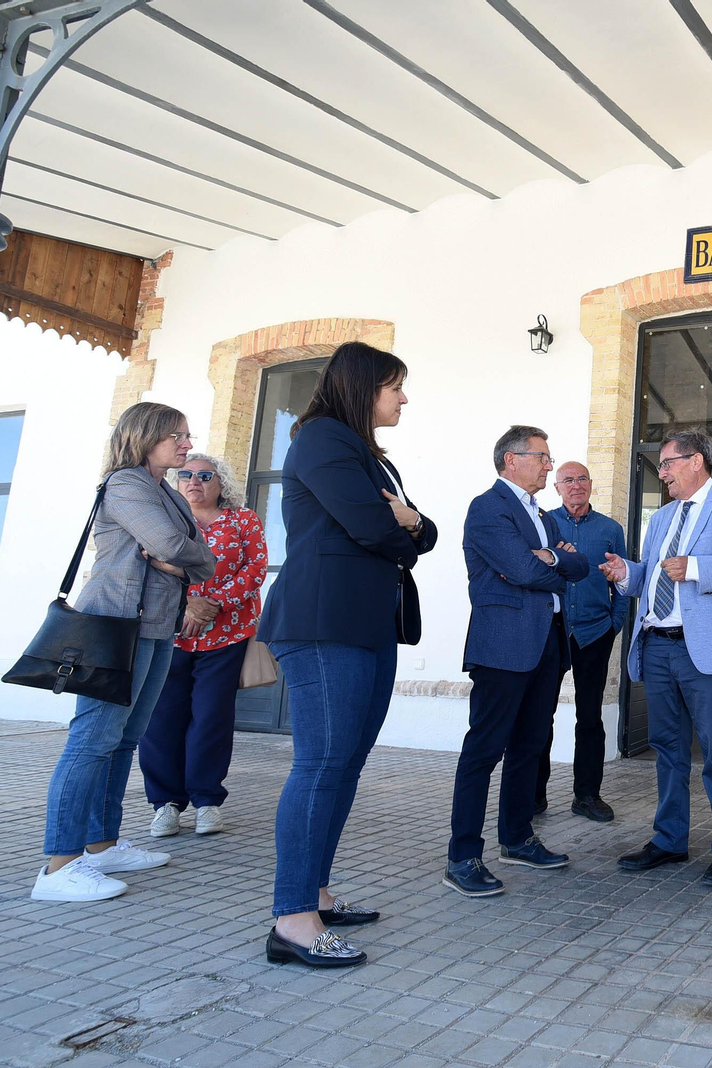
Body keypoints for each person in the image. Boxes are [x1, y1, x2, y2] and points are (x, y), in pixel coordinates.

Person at [257, 341, 438, 968]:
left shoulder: (368, 453)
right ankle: (292, 919)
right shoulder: (322, 438)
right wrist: (405, 526)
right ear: (363, 387)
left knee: (346, 764)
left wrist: (407, 523)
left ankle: (316, 894)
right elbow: (373, 527)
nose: (403, 398)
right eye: (395, 386)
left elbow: (421, 531)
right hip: (323, 623)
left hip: (366, 623)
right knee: (322, 764)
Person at [31, 402, 217, 902]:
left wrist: (183, 563)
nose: (187, 444)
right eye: (177, 435)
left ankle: (101, 845)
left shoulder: (166, 492)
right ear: (146, 435)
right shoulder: (126, 484)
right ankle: (58, 866)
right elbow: (171, 545)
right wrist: (184, 558)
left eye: (187, 435)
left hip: (155, 628)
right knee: (91, 741)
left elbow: (201, 559)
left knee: (123, 740)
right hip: (115, 627)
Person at [598, 429, 712, 888]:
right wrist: (626, 573)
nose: (662, 473)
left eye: (668, 463)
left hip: (707, 649)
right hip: (657, 644)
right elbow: (652, 577)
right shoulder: (661, 517)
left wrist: (695, 567)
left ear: (697, 461)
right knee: (668, 749)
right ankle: (670, 839)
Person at [444, 427, 589, 897]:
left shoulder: (542, 515)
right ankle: (462, 857)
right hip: (503, 646)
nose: (550, 466)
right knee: (484, 750)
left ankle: (518, 838)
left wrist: (549, 558)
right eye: (542, 457)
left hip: (547, 643)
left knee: (531, 744)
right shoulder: (488, 508)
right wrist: (549, 561)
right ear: (511, 459)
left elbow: (580, 566)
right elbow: (525, 569)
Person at [139, 453, 267, 838]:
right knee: (161, 719)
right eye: (186, 474)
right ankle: (165, 804)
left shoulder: (243, 519)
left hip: (227, 635)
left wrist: (213, 604)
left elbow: (255, 569)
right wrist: (190, 604)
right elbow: (148, 561)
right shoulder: (164, 520)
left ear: (221, 483)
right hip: (170, 631)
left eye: (205, 476)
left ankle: (207, 801)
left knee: (211, 717)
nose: (194, 481)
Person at [541, 461, 627, 823]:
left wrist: (615, 623)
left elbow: (622, 580)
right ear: (557, 487)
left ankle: (587, 795)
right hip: (552, 631)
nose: (576, 485)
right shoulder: (544, 524)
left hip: (595, 632)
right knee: (539, 714)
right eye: (568, 480)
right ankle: (533, 796)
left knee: (589, 716)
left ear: (591, 484)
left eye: (582, 479)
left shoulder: (610, 529)